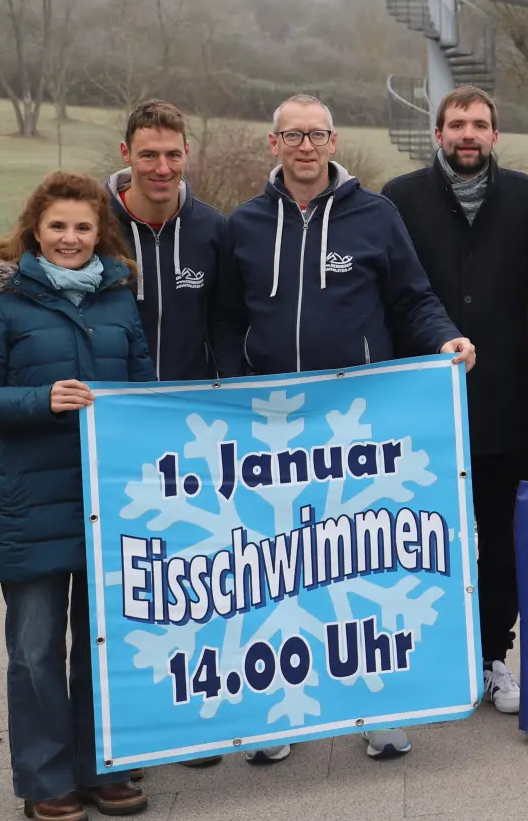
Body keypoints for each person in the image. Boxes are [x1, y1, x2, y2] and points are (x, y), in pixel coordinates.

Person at [211, 94, 475, 762]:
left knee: (359, 563)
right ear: (273, 144)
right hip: (268, 433)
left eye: (317, 134)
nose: (305, 146)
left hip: (357, 429)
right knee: (274, 571)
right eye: (292, 135)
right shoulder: (243, 224)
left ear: (334, 142)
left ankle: (377, 710)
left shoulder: (375, 215)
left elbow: (412, 300)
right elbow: (221, 321)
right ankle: (278, 718)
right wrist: (226, 387)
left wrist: (445, 340)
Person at [0, 171, 154, 820]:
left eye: (83, 227)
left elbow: (144, 387)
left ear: (102, 233)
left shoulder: (120, 297)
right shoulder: (2, 302)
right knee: (35, 650)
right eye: (58, 227)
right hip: (32, 500)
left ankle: (104, 768)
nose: (71, 239)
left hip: (109, 500)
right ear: (35, 230)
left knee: (103, 642)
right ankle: (46, 781)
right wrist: (41, 400)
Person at [381, 85, 528, 714]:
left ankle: (492, 655)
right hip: (423, 404)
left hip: (508, 402)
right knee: (426, 536)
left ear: (496, 135)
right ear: (438, 134)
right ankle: (429, 653)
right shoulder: (398, 199)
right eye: (457, 124)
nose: (468, 134)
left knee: (501, 536)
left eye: (480, 124)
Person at [105, 98, 227, 381]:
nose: (162, 169)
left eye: (173, 155)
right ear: (126, 153)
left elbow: (226, 323)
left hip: (191, 406)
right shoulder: (95, 228)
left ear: (186, 152)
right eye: (148, 155)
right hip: (116, 404)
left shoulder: (214, 228)